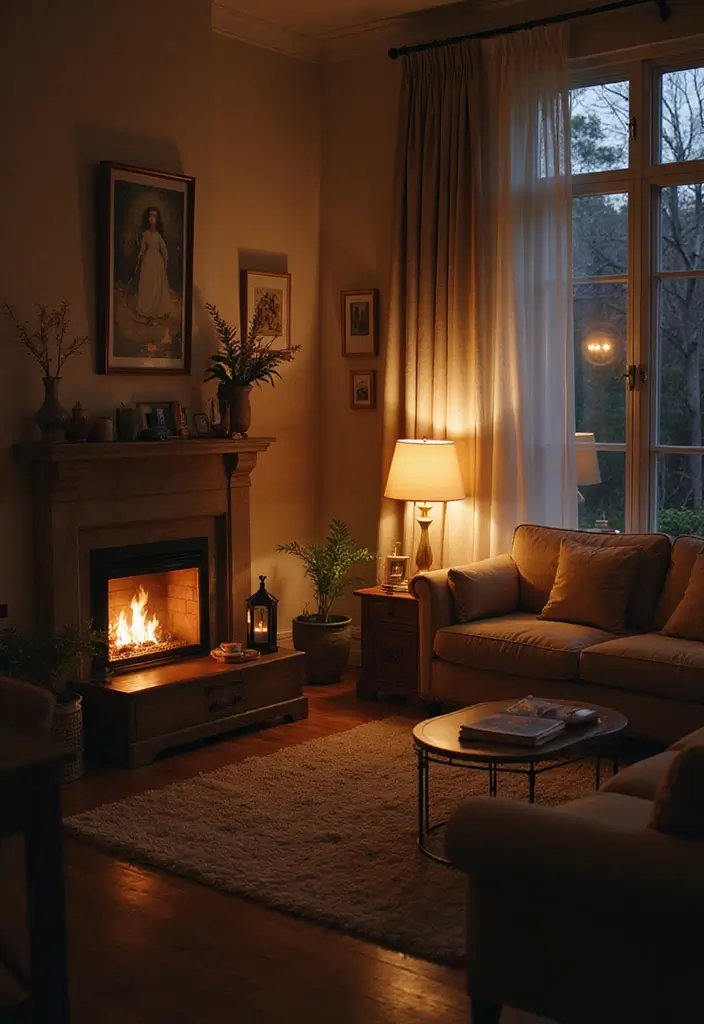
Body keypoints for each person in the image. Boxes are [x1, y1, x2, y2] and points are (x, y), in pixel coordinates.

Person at [135, 207, 171, 320]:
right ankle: (147, 310)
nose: (152, 219)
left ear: (157, 218)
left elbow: (163, 248)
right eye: (150, 216)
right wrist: (139, 257)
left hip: (157, 261)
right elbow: (142, 248)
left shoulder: (158, 235)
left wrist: (165, 259)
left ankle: (157, 310)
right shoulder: (145, 234)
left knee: (157, 284)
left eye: (154, 216)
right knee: (147, 283)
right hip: (148, 260)